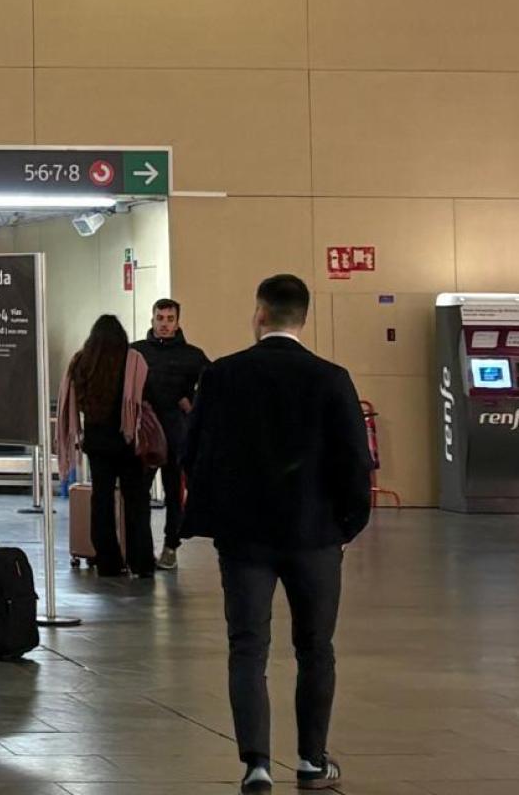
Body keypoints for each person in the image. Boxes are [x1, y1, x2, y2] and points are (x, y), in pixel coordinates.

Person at [182, 275, 372, 793]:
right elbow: (356, 460)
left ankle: (256, 766)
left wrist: (216, 509)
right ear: (302, 319)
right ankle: (311, 760)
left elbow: (192, 450)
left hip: (244, 538)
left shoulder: (222, 375)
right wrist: (347, 525)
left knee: (248, 646)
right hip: (315, 536)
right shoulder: (332, 378)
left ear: (260, 314)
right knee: (316, 648)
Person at [56, 314, 154, 578]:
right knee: (136, 501)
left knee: (101, 500)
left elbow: (77, 399)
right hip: (128, 442)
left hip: (97, 441)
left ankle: (107, 561)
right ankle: (141, 561)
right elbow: (146, 396)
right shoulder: (133, 361)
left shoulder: (82, 361)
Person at [131, 298, 210, 570]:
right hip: (145, 434)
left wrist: (191, 403)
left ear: (177, 322)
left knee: (174, 493)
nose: (164, 324)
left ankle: (170, 546)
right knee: (138, 492)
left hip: (177, 435)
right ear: (152, 319)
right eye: (160, 318)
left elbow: (212, 385)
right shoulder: (136, 352)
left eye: (170, 319)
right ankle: (141, 548)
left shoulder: (192, 355)